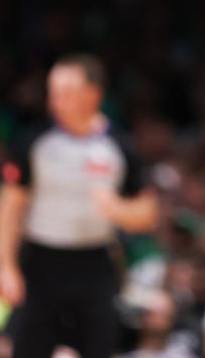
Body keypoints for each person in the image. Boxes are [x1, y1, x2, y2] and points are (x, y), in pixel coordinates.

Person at [0, 54, 159, 358]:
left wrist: (118, 210)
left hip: (95, 263)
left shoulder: (118, 145)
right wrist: (6, 265)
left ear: (94, 93)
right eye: (53, 90)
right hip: (40, 263)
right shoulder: (34, 140)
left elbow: (147, 213)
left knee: (97, 348)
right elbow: (11, 205)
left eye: (66, 91)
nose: (55, 99)